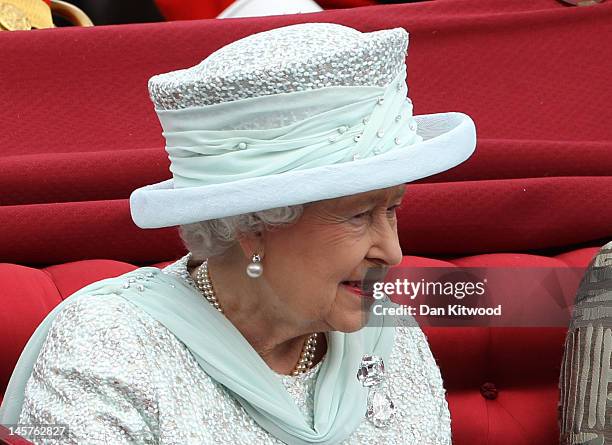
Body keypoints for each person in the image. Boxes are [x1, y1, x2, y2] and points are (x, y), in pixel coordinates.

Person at [0, 22, 476, 444]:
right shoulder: (112, 343)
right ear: (253, 226)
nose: (392, 252)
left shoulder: (386, 326)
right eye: (357, 216)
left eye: (392, 209)